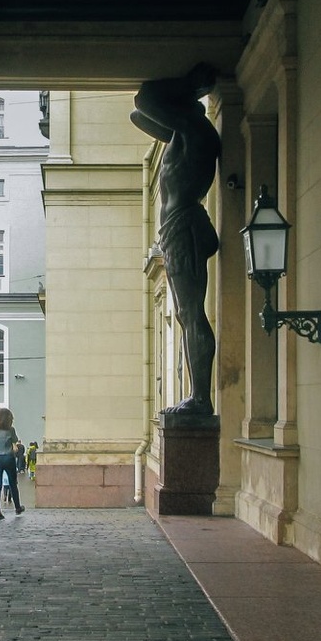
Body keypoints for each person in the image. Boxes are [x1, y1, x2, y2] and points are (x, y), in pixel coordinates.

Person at [131, 63, 221, 415]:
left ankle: (201, 399)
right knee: (188, 314)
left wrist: (183, 83)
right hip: (178, 229)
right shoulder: (181, 133)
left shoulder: (194, 129)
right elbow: (140, 115)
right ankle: (198, 396)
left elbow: (144, 99)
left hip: (184, 227)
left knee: (191, 313)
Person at [0, 407, 24, 520]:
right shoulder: (11, 430)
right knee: (13, 483)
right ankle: (17, 507)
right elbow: (15, 441)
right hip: (8, 457)